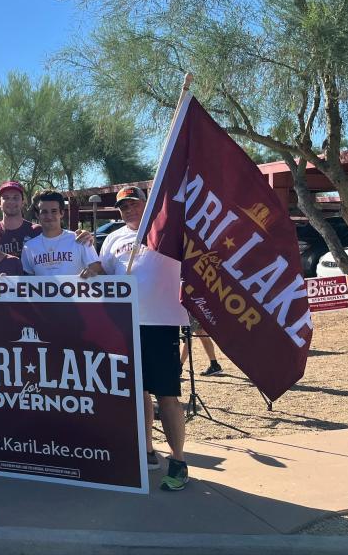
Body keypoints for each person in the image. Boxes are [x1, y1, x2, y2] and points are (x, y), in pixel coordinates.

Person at [97, 186, 189, 491]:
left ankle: (178, 460)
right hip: (125, 324)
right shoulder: (113, 238)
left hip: (161, 323)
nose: (129, 210)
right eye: (124, 207)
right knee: (138, 393)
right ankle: (147, 451)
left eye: (134, 204)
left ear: (146, 204)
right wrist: (85, 254)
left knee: (167, 395)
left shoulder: (167, 230)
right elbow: (104, 270)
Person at [22, 190, 103, 277]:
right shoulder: (29, 247)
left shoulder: (80, 239)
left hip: (75, 290)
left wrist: (92, 273)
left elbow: (99, 270)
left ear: (62, 213)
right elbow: (27, 282)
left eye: (54, 211)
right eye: (44, 212)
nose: (49, 216)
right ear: (37, 215)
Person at [0, 181, 41, 256]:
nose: (11, 201)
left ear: (23, 202)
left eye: (15, 198)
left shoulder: (37, 231)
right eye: (6, 198)